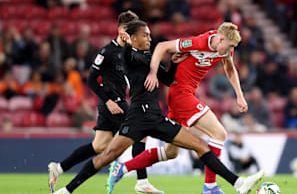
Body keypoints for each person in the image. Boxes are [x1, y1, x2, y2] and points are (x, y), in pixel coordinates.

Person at [53, 20, 264, 194]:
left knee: (186, 149)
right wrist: (137, 53)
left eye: (149, 35)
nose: (150, 39)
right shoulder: (129, 56)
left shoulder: (147, 57)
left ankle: (124, 170)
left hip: (155, 117)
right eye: (145, 35)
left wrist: (174, 62)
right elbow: (141, 54)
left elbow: (168, 76)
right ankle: (67, 190)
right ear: (132, 38)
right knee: (104, 156)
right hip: (138, 117)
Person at [113, 22, 251, 194]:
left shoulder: (225, 48)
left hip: (184, 94)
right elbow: (163, 46)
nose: (231, 51)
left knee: (171, 152)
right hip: (180, 94)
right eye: (230, 46)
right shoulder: (199, 42)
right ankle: (210, 187)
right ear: (221, 38)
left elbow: (230, 69)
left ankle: (122, 168)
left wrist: (239, 95)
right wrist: (153, 72)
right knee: (219, 134)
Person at [48, 11, 163, 194]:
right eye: (129, 30)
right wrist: (108, 100)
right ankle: (142, 181)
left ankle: (60, 169)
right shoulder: (107, 51)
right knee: (142, 132)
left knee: (99, 146)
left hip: (117, 103)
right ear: (120, 30)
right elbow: (92, 79)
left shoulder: (129, 52)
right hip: (112, 103)